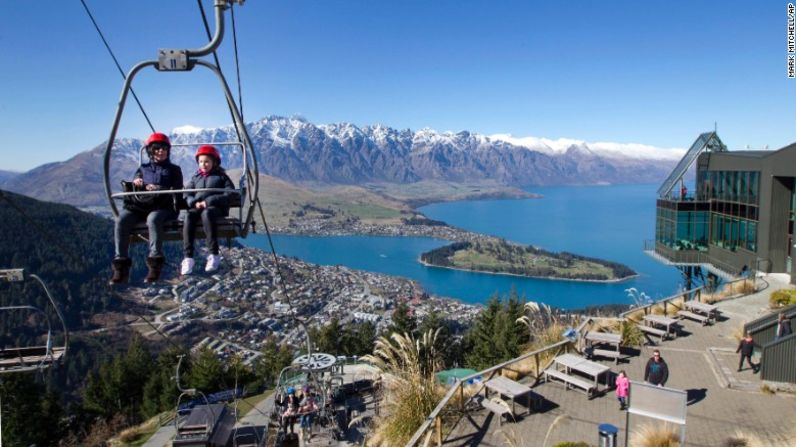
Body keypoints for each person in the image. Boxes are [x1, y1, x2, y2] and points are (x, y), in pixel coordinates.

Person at [110, 132, 183, 284]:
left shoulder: (174, 170)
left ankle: (155, 264)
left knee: (153, 219)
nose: (161, 151)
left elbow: (177, 190)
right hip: (142, 206)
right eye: (157, 149)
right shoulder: (143, 169)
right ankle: (120, 266)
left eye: (164, 148)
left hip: (164, 206)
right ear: (151, 151)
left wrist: (158, 188)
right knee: (121, 220)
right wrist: (138, 183)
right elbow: (136, 182)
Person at [180, 145, 235, 275]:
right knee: (189, 215)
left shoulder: (222, 177)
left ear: (214, 162)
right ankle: (188, 257)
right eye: (201, 162)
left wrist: (209, 201)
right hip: (198, 208)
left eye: (207, 162)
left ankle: (213, 254)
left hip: (216, 210)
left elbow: (230, 194)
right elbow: (187, 194)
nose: (203, 164)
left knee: (207, 212)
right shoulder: (196, 178)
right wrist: (193, 202)